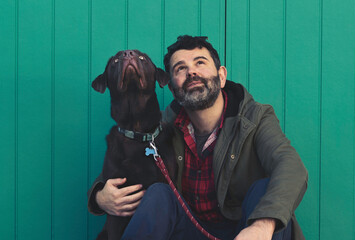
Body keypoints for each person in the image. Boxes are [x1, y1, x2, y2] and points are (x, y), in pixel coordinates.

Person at [88, 35, 308, 240]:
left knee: (264, 189)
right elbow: (117, 168)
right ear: (173, 89)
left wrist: (262, 226)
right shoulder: (158, 128)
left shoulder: (255, 117)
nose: (191, 72)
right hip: (188, 228)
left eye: (200, 63)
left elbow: (291, 167)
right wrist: (100, 196)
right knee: (158, 195)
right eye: (181, 68)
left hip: (247, 229)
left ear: (221, 76)